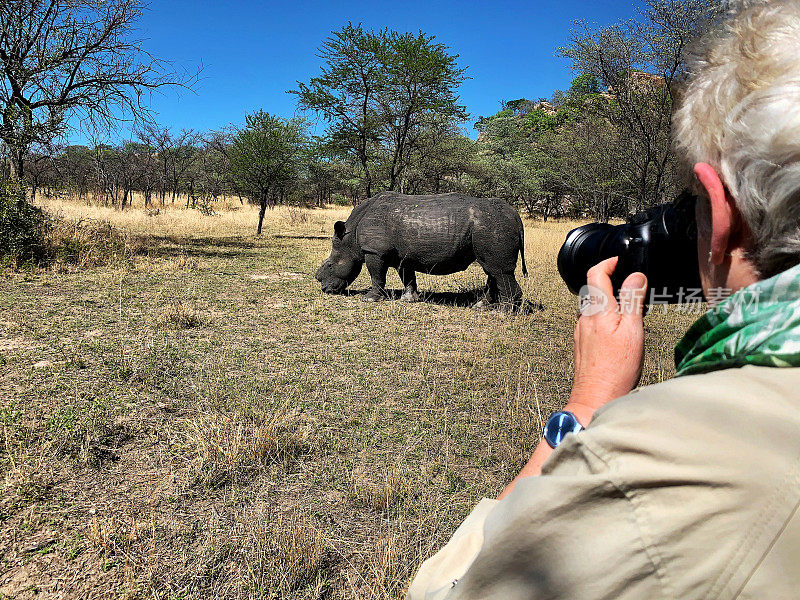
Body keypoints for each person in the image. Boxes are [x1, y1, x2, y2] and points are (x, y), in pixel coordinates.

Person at [407, 2, 800, 599]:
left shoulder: (660, 466)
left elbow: (451, 590)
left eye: (690, 209)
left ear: (725, 218)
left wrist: (588, 402)